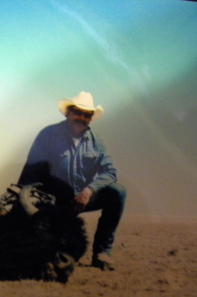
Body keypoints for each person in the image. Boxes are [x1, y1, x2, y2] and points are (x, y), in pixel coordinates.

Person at [18, 91, 127, 271]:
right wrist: (25, 204)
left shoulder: (96, 141)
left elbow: (110, 171)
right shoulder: (48, 135)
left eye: (87, 115)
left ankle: (102, 253)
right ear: (68, 112)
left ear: (91, 118)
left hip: (80, 200)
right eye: (78, 112)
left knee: (118, 192)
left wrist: (89, 191)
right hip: (52, 203)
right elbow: (31, 173)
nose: (81, 118)